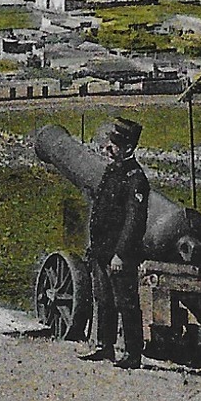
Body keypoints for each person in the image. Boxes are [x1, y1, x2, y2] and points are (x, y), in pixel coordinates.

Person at [81, 117, 149, 369]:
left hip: (119, 253)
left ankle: (133, 354)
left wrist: (120, 253)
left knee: (126, 302)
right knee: (103, 299)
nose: (107, 148)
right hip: (101, 250)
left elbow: (134, 220)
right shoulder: (112, 171)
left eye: (114, 145)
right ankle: (104, 346)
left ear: (128, 148)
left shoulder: (135, 178)